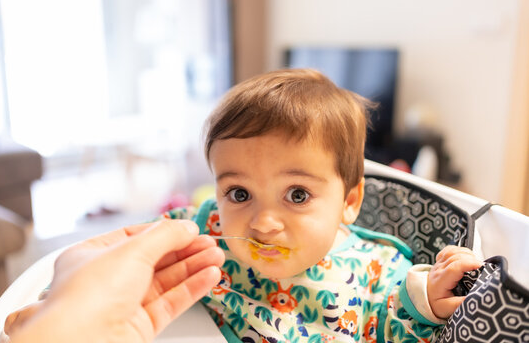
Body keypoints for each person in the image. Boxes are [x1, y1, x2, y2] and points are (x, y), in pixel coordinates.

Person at [168, 68, 481, 342]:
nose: (263, 223)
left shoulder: (376, 273)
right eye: (239, 194)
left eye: (298, 195)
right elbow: (150, 245)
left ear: (350, 201)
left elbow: (399, 326)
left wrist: (426, 300)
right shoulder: (208, 231)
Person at [2, 219, 224, 342]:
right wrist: (60, 310)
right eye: (239, 195)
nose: (260, 223)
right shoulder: (205, 224)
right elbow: (114, 260)